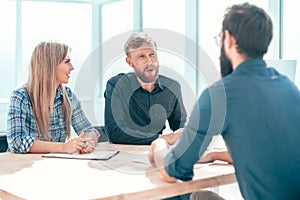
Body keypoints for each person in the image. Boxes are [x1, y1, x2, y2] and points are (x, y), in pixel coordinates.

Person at [149, 3, 300, 200]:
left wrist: (159, 145)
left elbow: (173, 170)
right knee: (203, 197)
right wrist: (213, 155)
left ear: (228, 39)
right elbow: (268, 153)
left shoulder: (221, 95)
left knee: (189, 197)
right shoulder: (288, 87)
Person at [7, 41, 99, 154]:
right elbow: (16, 142)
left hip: (52, 165)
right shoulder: (20, 97)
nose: (72, 67)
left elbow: (89, 130)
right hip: (22, 166)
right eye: (67, 62)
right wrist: (63, 147)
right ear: (50, 66)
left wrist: (88, 142)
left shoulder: (68, 95)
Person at [104, 32, 187, 145]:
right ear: (130, 62)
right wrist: (161, 138)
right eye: (141, 57)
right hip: (125, 152)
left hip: (157, 151)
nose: (149, 61)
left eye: (152, 54)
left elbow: (180, 127)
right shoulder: (116, 85)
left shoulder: (172, 87)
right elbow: (115, 132)